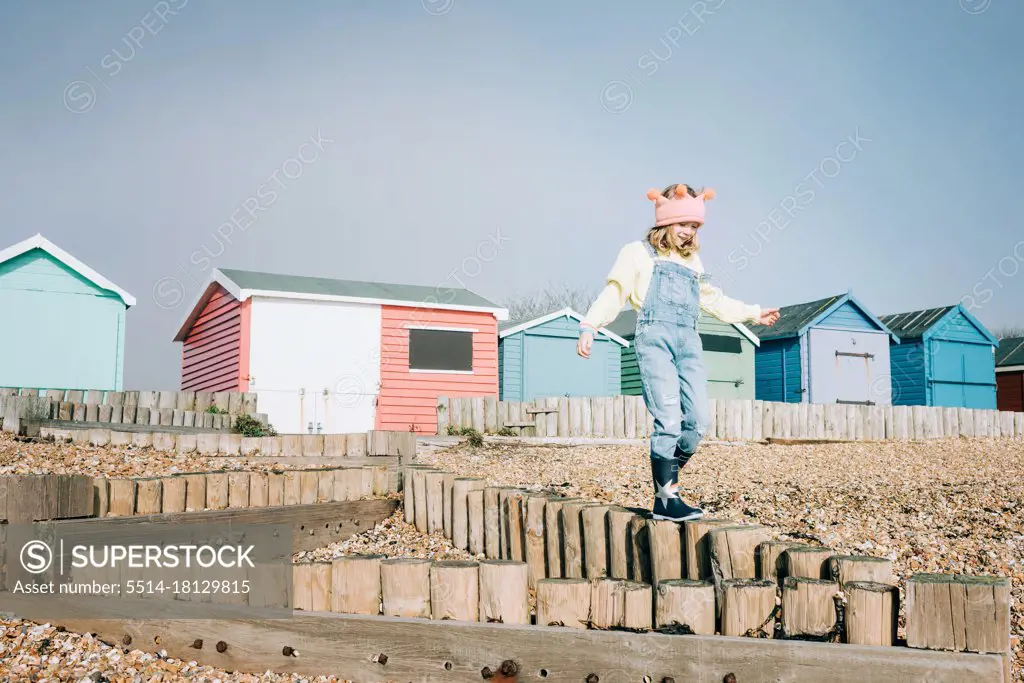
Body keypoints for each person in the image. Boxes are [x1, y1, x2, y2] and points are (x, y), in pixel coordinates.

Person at [577, 183, 780, 521]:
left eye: (695, 227)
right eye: (684, 224)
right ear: (665, 222)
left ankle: (667, 482)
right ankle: (666, 498)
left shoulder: (692, 262)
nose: (689, 232)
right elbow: (615, 291)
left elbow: (712, 299)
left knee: (698, 421)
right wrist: (590, 325)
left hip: (688, 341)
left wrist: (752, 312)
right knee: (668, 419)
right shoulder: (637, 253)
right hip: (654, 338)